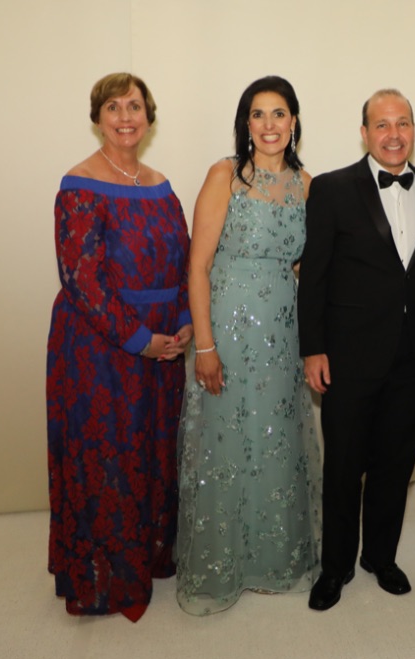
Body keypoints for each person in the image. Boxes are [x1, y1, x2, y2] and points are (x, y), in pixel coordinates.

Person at [173, 76, 322, 615]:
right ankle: (222, 562)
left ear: (295, 121)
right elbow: (197, 266)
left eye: (279, 113)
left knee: (277, 439)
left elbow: (310, 268)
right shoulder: (225, 176)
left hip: (284, 333)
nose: (269, 125)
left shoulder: (309, 185)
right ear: (245, 124)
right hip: (228, 332)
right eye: (258, 115)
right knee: (227, 440)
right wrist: (206, 347)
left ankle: (272, 558)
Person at [46, 73, 191, 621]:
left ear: (149, 117)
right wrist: (139, 341)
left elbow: (181, 260)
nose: (125, 116)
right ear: (97, 117)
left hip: (164, 348)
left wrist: (180, 324)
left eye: (135, 106)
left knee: (153, 456)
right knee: (107, 457)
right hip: (99, 348)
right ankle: (104, 580)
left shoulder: (159, 183)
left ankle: (150, 559)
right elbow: (82, 278)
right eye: (114, 106)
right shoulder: (78, 183)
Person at [298, 89, 415, 611]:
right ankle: (334, 567)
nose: (394, 133)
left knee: (394, 465)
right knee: (344, 467)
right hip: (349, 356)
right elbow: (312, 277)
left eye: (403, 122)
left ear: (413, 129)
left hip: (413, 357)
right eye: (382, 125)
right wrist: (313, 349)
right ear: (364, 133)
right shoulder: (334, 189)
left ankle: (380, 556)